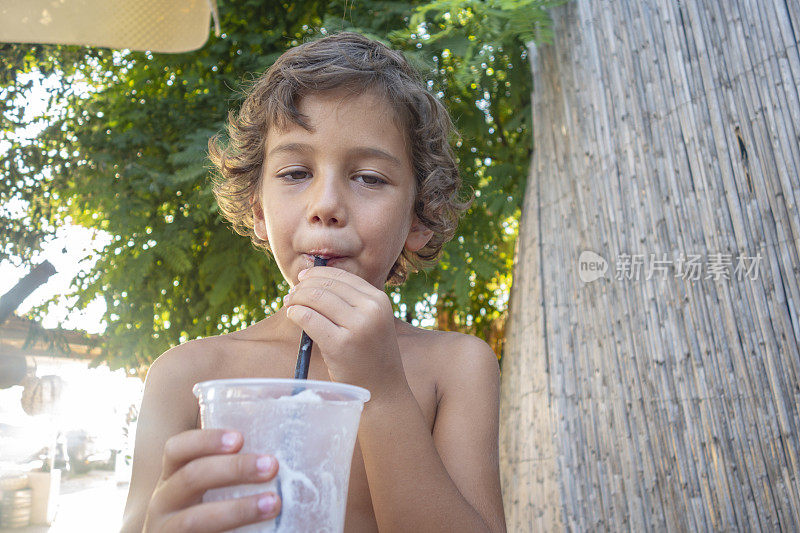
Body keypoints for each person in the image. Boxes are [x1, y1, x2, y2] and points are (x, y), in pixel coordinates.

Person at [121, 31, 505, 532]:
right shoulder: (187, 377)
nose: (326, 206)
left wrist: (380, 387)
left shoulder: (455, 367)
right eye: (296, 172)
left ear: (418, 217)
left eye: (369, 178)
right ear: (259, 211)